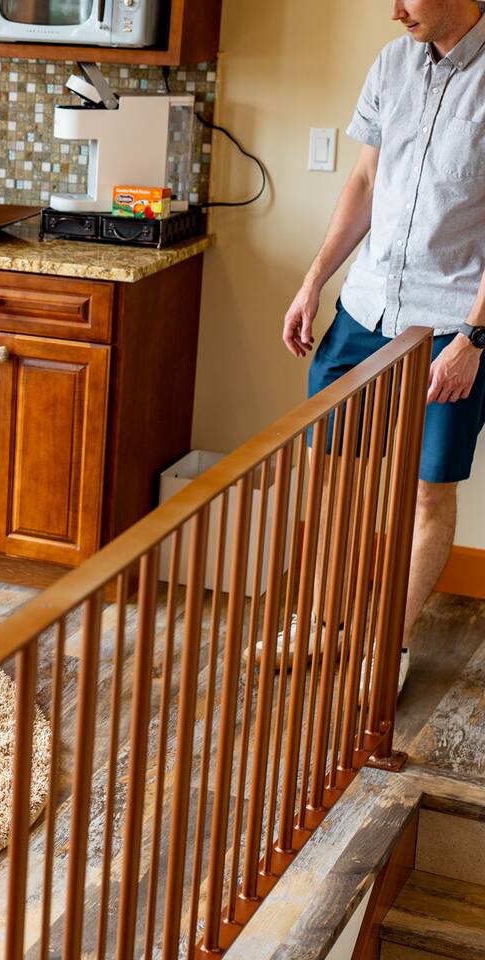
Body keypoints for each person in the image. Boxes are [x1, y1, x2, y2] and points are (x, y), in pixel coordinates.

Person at [283, 0, 485, 690]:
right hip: (364, 310)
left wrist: (474, 337)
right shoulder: (393, 63)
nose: (394, 10)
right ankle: (318, 623)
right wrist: (314, 281)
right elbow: (366, 181)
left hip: (451, 326)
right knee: (333, 476)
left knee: (428, 492)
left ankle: (386, 647)